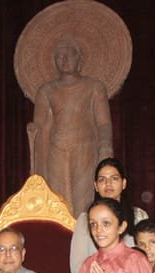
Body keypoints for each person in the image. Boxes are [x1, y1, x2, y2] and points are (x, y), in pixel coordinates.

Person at [30, 36, 113, 216]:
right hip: (55, 153)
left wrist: (105, 145)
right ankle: (60, 241)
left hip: (84, 149)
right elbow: (41, 129)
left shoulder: (94, 87)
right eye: (59, 56)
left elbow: (103, 123)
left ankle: (84, 240)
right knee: (57, 202)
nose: (64, 59)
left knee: (83, 203)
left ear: (80, 59)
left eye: (70, 54)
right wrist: (38, 164)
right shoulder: (46, 90)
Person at [69, 158, 148, 273]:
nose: (108, 184)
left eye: (114, 178)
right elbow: (77, 268)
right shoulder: (85, 220)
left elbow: (149, 256)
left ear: (124, 183)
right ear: (96, 186)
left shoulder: (139, 216)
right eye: (102, 180)